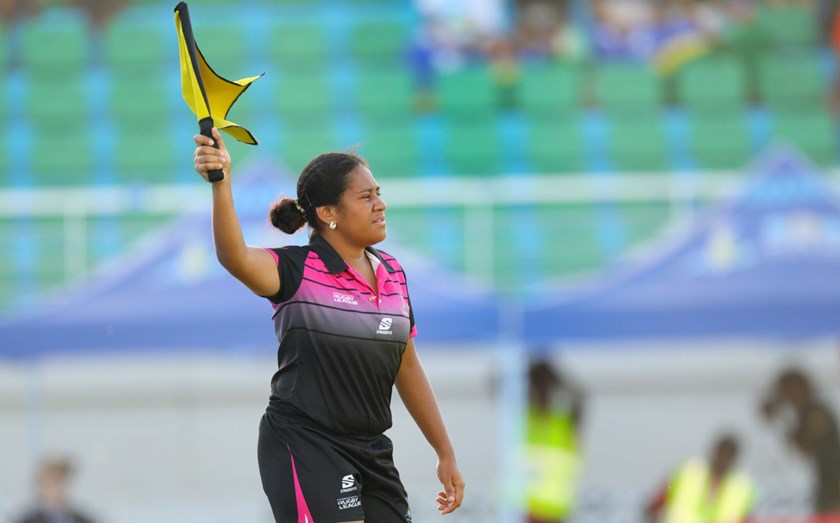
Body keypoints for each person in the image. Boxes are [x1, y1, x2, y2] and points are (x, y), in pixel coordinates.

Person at [192, 128, 465, 522]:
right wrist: (222, 184)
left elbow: (407, 366)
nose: (381, 204)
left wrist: (445, 451)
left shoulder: (392, 272)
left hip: (371, 449)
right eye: (366, 197)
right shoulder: (296, 271)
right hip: (305, 442)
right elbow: (234, 257)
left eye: (379, 193)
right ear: (328, 213)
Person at [760, 367, 840, 517]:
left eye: (785, 392)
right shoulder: (807, 413)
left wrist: (781, 416)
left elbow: (805, 445)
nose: (786, 398)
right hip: (827, 489)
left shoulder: (817, 413)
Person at [523, 356, 585, 523]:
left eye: (546, 386)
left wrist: (557, 379)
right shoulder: (521, 421)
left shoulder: (563, 422)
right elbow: (497, 386)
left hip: (554, 512)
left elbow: (580, 397)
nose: (542, 391)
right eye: (538, 386)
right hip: (524, 510)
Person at [643, 434, 755, 523]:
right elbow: (652, 509)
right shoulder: (686, 473)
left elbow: (745, 518)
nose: (723, 459)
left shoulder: (742, 487)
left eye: (728, 455)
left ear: (735, 459)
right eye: (721, 453)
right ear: (714, 452)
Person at [13, 456, 97, 523]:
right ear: (41, 485)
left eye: (62, 480)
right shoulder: (26, 521)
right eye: (54, 480)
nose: (59, 486)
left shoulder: (84, 520)